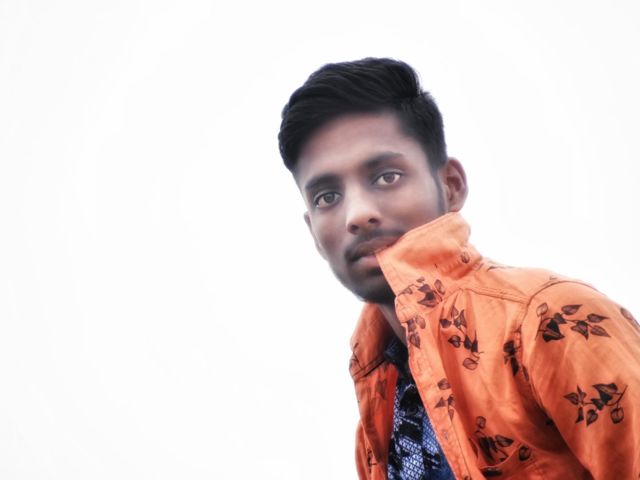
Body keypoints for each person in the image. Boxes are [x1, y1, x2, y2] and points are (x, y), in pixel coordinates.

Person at [277, 58, 640, 479]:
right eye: (327, 197)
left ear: (451, 186)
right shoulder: (379, 392)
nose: (357, 214)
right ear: (313, 232)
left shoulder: (547, 319)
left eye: (386, 177)